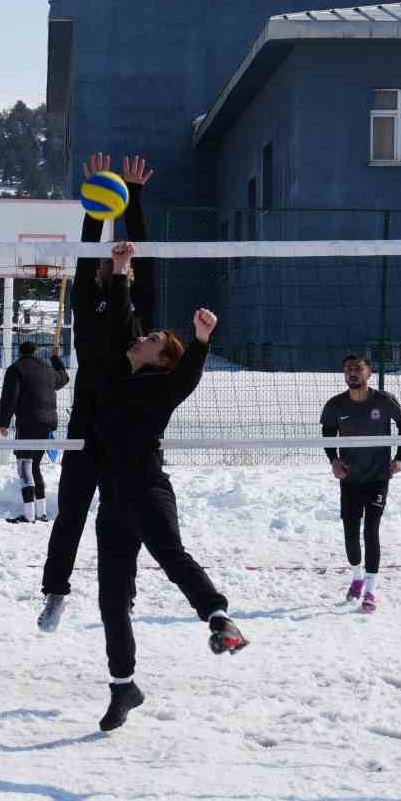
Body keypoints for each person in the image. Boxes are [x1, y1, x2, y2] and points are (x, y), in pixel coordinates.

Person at [90, 243, 248, 732]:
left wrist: (200, 340)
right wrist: (119, 272)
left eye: (153, 338)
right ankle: (124, 687)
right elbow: (120, 324)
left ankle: (220, 619)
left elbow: (186, 379)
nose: (143, 337)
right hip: (114, 495)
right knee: (112, 599)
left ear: (161, 360)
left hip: (147, 486)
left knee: (170, 553)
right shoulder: (118, 375)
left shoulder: (160, 387)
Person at [38, 154, 156, 634]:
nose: (112, 258)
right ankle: (55, 595)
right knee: (70, 513)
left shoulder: (140, 310)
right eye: (106, 260)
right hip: (87, 421)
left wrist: (135, 197)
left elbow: (143, 251)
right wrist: (97, 206)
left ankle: (124, 596)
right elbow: (88, 251)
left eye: (119, 258)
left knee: (121, 521)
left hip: (126, 429)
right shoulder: (89, 303)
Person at [322, 353, 401, 613]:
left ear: (369, 372)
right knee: (350, 533)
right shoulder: (335, 405)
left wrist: (400, 458)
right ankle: (357, 578)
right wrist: (334, 461)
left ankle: (371, 590)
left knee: (370, 531)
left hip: (377, 478)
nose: (352, 373)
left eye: (358, 369)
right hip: (350, 479)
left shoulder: (383, 401)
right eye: (348, 369)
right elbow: (327, 433)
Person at [0, 340, 70, 524]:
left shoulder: (16, 369)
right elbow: (64, 378)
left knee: (24, 466)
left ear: (20, 353)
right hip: (47, 424)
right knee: (35, 465)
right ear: (36, 352)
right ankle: (42, 512)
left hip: (29, 423)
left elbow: (9, 397)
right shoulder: (47, 368)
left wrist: (3, 422)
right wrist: (56, 358)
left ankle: (29, 514)